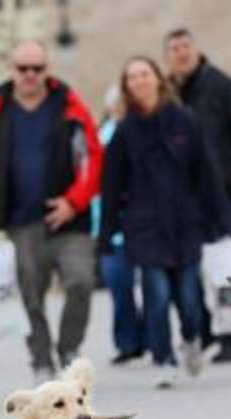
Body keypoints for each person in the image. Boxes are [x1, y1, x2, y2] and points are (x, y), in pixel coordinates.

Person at [0, 40, 103, 381]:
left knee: (82, 281)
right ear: (12, 70)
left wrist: (74, 201)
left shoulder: (69, 105)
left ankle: (69, 348)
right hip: (20, 221)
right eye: (23, 69)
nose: (30, 75)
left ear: (47, 70)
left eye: (37, 68)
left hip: (70, 219)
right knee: (31, 296)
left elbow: (93, 156)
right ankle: (41, 359)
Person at [100, 56, 229, 389]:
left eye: (144, 74)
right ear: (127, 87)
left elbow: (206, 172)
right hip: (144, 229)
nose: (139, 81)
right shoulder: (123, 132)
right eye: (132, 77)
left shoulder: (185, 121)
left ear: (158, 79)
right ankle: (164, 359)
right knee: (155, 298)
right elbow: (111, 186)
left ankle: (191, 339)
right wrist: (107, 232)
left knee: (188, 297)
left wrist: (219, 217)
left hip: (185, 224)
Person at [165, 27, 231, 363]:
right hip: (184, 197)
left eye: (186, 46)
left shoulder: (222, 85)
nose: (181, 52)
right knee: (193, 266)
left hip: (225, 194)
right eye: (175, 48)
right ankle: (205, 332)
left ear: (196, 49)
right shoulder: (168, 93)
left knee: (229, 264)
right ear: (168, 56)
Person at [92, 85, 145, 365]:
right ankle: (127, 342)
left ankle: (147, 339)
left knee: (149, 285)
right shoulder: (101, 135)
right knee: (118, 282)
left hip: (138, 221)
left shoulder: (140, 131)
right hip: (108, 221)